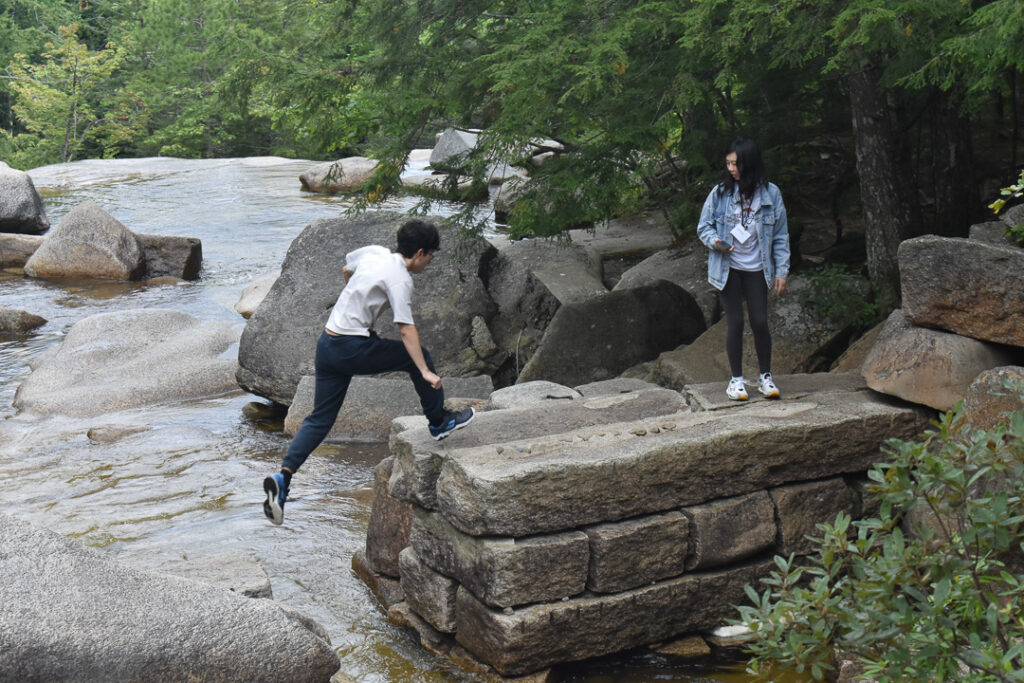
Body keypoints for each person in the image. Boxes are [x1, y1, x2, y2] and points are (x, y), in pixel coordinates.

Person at [262, 219, 474, 525]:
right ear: (419, 253)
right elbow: (405, 328)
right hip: (351, 349)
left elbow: (347, 270)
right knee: (416, 357)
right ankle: (439, 422)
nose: (429, 262)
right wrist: (425, 371)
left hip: (328, 344)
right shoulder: (401, 279)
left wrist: (359, 301)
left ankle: (283, 479)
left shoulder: (373, 253)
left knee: (319, 420)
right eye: (430, 256)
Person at [697, 139, 790, 401]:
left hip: (758, 268)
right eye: (727, 163)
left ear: (749, 163)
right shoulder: (720, 193)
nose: (731, 169)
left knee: (760, 321)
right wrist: (716, 241)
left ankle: (765, 377)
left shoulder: (771, 194)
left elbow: (781, 236)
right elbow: (703, 227)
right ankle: (736, 380)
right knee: (735, 322)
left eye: (735, 163)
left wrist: (782, 270)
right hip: (728, 269)